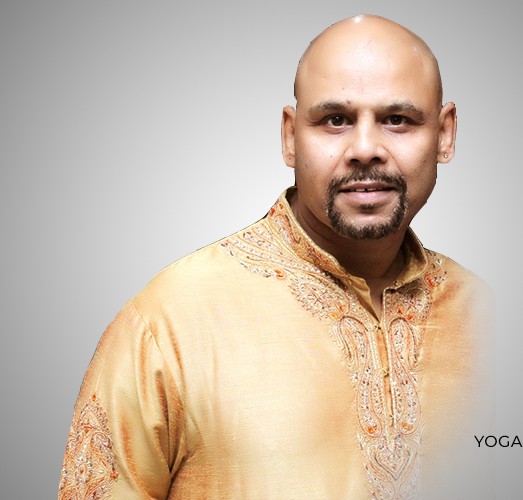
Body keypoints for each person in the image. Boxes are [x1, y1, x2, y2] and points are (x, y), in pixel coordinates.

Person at [58, 14, 493, 500]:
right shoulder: (169, 322)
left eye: (398, 120)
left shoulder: (488, 318)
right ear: (289, 137)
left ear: (445, 134)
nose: (366, 149)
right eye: (335, 120)